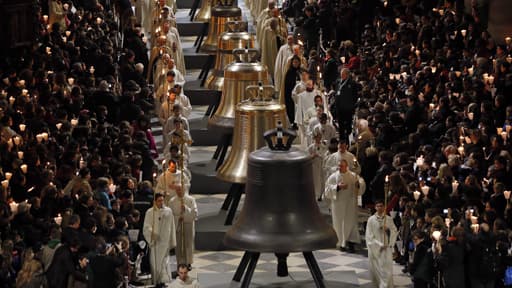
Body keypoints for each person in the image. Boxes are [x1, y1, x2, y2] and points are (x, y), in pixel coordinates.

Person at [324, 159, 364, 252]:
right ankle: (341, 242)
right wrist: (337, 187)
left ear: (346, 166)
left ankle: (351, 242)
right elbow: (327, 190)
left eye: (341, 166)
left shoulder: (353, 176)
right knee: (339, 223)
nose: (339, 168)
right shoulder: (333, 177)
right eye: (338, 166)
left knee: (351, 222)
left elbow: (361, 185)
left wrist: (358, 185)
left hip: (350, 203)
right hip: (338, 204)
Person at [142, 193, 176, 286]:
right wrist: (152, 233)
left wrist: (172, 239)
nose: (161, 202)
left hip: (165, 241)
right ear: (155, 201)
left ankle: (163, 280)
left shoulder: (168, 211)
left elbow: (172, 226)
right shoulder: (150, 212)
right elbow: (146, 227)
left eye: (162, 200)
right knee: (155, 262)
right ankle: (157, 281)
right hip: (155, 242)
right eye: (159, 201)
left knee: (164, 262)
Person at [365, 199, 398, 288]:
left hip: (386, 247)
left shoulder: (389, 219)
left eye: (381, 206)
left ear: (384, 207)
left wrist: (388, 230)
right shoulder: (371, 220)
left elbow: (394, 231)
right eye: (378, 206)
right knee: (377, 269)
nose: (380, 207)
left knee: (386, 269)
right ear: (375, 207)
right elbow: (369, 236)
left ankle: (385, 285)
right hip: (376, 249)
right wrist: (379, 245)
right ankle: (378, 284)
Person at [169, 180, 198, 269]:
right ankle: (180, 263)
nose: (179, 192)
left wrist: (186, 209)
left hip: (187, 224)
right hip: (177, 224)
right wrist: (178, 218)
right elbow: (170, 215)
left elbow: (195, 213)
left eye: (180, 190)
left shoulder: (190, 200)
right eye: (177, 190)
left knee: (188, 243)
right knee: (178, 244)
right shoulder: (172, 201)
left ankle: (188, 262)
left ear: (184, 189)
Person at [334, 68, 358, 141]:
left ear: (347, 75)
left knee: (348, 125)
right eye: (341, 74)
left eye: (343, 74)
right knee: (340, 125)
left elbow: (355, 96)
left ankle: (347, 140)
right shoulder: (338, 82)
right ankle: (341, 140)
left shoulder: (352, 83)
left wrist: (351, 104)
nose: (341, 75)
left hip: (348, 108)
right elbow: (337, 92)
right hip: (340, 108)